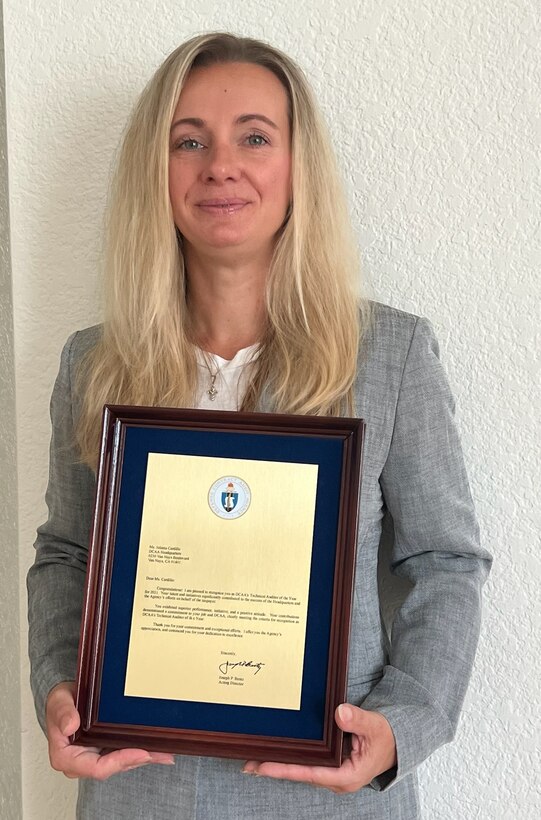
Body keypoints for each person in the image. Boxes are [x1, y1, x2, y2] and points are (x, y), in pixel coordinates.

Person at [27, 32, 492, 820]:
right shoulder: (94, 364)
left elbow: (445, 561)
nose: (221, 166)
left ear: (294, 166)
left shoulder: (388, 356)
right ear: (157, 169)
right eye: (188, 141)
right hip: (142, 791)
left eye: (253, 136)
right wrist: (60, 688)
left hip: (326, 795)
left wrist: (403, 723)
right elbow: (66, 553)